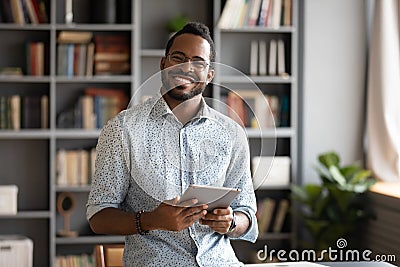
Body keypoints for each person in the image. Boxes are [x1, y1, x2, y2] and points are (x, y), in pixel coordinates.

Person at [86, 22, 258, 266]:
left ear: (209, 74)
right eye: (178, 57)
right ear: (163, 64)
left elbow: (247, 216)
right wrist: (152, 220)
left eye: (198, 62)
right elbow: (98, 216)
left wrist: (230, 222)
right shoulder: (123, 129)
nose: (187, 68)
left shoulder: (232, 133)